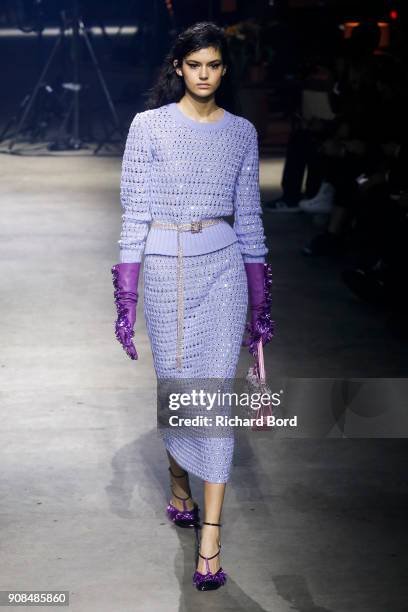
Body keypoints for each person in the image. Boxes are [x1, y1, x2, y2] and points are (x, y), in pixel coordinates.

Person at [110, 22, 273, 591]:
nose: (204, 74)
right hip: (164, 266)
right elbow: (134, 210)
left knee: (214, 398)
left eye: (214, 65)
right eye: (195, 64)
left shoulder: (242, 132)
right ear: (179, 67)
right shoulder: (149, 127)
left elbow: (249, 214)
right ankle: (178, 480)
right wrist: (127, 291)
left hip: (224, 268)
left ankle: (210, 540)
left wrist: (260, 300)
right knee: (179, 386)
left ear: (224, 71)